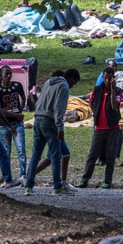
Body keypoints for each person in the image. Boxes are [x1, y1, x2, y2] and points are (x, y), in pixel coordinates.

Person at [24, 68, 81, 196]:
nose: (73, 86)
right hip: (50, 122)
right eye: (74, 83)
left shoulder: (48, 82)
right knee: (56, 156)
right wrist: (60, 127)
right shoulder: (64, 86)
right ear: (71, 78)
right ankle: (57, 187)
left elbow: (38, 102)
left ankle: (28, 186)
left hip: (37, 119)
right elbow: (58, 108)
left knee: (35, 155)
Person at [77, 67, 122, 189]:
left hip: (112, 128)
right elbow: (91, 102)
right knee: (92, 155)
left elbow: (114, 106)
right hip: (99, 128)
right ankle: (84, 179)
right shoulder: (97, 90)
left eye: (110, 78)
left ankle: (107, 181)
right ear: (102, 77)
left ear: (113, 78)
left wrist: (112, 90)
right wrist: (95, 112)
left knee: (110, 156)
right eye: (105, 77)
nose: (107, 80)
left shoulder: (118, 91)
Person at [0, 65, 27, 186]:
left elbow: (24, 97)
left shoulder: (17, 85)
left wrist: (20, 108)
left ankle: (23, 175)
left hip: (18, 123)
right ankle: (7, 177)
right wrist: (16, 117)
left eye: (10, 74)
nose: (9, 76)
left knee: (21, 149)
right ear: (1, 76)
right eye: (6, 74)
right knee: (6, 152)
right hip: (5, 125)